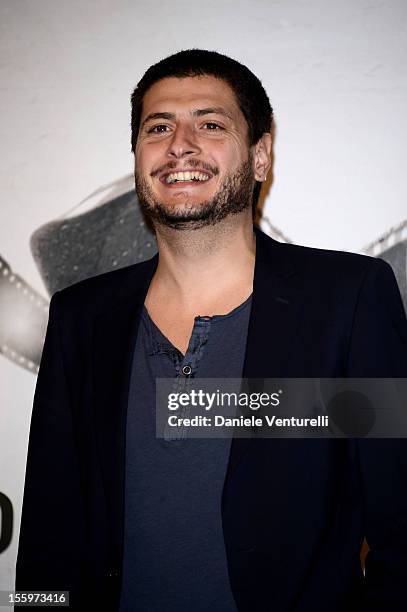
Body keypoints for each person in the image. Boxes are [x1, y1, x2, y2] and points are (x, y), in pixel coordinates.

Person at [16, 49, 407, 611]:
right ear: (138, 158)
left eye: (211, 124)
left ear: (260, 156)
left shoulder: (347, 299)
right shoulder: (82, 317)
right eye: (158, 127)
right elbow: (49, 537)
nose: (180, 143)